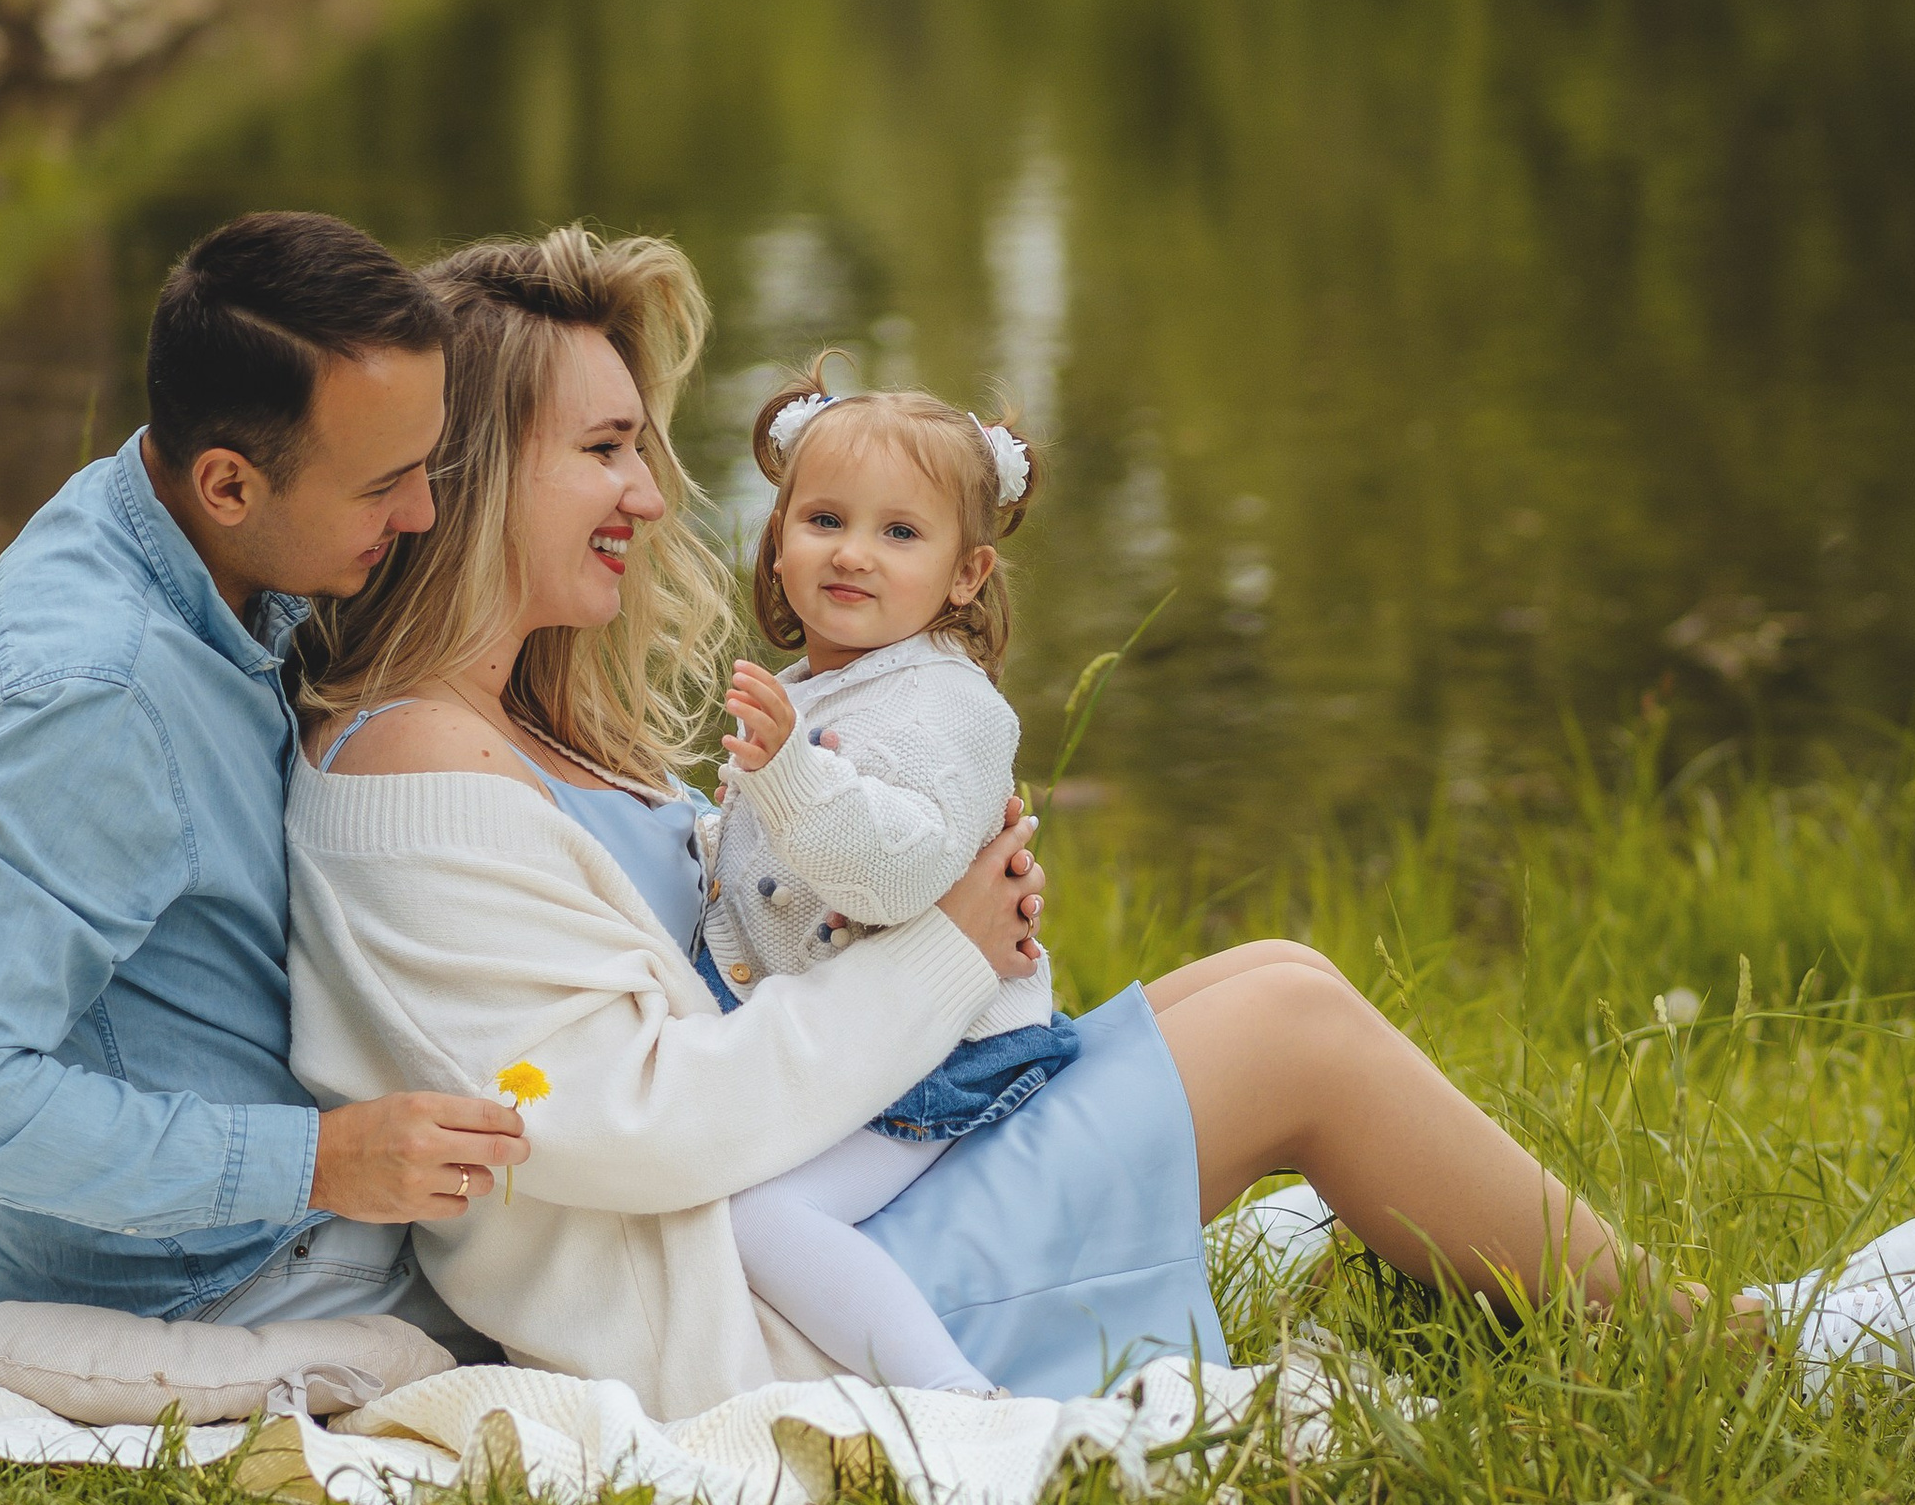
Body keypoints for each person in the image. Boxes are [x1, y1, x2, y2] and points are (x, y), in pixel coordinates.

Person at [287, 225, 1708, 1415]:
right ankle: (1715, 1351)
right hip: (774, 1308)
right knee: (1293, 1036)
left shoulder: (522, 731)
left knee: (1276, 978)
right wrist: (949, 952)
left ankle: (1643, 1307)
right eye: (604, 449)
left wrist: (923, 912)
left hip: (834, 1206)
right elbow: (613, 1118)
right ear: (471, 470)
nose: (652, 495)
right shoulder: (412, 775)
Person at [0, 211, 528, 1326]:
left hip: (238, 1215)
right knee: (651, 1267)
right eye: (383, 487)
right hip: (193, 1276)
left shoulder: (169, 524)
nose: (419, 515)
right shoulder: (94, 700)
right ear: (228, 484)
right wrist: (321, 1162)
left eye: (428, 469)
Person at [715, 376, 1079, 1396]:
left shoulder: (950, 706)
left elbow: (902, 870)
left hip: (937, 1055)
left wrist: (786, 772)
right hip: (859, 1040)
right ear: (778, 537)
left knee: (759, 1215)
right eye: (824, 519)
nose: (852, 552)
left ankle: (953, 1397)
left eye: (899, 533)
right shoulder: (808, 690)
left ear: (966, 575)